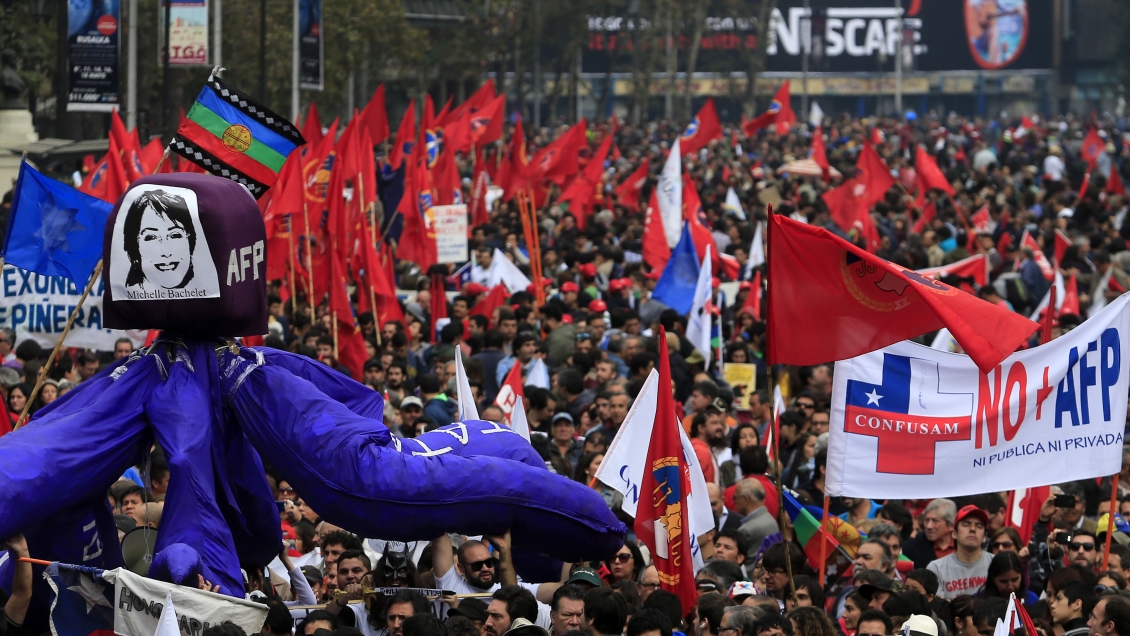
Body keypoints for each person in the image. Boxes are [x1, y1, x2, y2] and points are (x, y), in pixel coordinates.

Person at [928, 505, 993, 599]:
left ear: (984, 537)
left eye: (979, 526)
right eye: (966, 524)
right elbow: (938, 608)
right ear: (954, 533)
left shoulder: (995, 563)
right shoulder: (936, 568)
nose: (973, 529)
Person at [904, 499, 957, 569]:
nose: (929, 526)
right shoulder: (911, 547)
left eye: (935, 521)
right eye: (926, 520)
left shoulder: (964, 546)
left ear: (951, 525)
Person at [735, 479, 778, 563]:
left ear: (746, 499)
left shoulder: (747, 530)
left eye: (735, 497)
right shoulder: (771, 521)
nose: (735, 501)